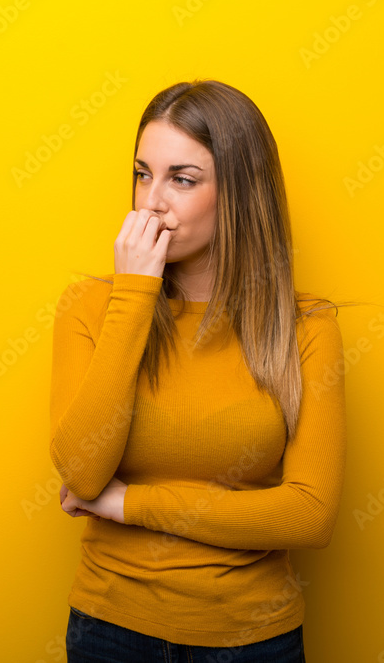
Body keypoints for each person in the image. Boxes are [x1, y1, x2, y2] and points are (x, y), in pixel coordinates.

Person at [49, 79, 348, 663]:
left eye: (181, 179)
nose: (150, 201)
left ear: (238, 195)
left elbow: (310, 515)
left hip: (252, 638)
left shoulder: (306, 326)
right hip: (109, 629)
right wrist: (134, 295)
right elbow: (83, 474)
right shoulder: (89, 307)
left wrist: (129, 505)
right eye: (142, 174)